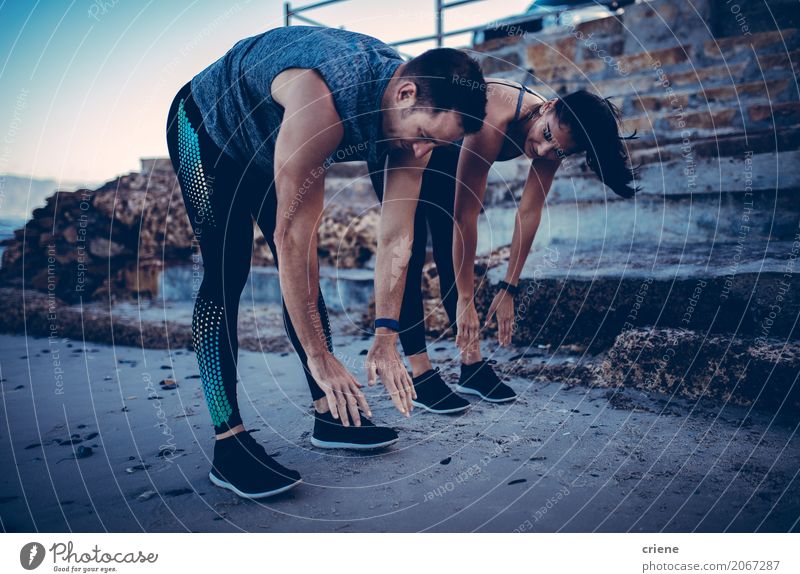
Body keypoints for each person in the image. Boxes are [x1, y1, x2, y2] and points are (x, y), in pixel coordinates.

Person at [165, 26, 487, 499]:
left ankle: (330, 415)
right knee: (226, 269)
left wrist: (385, 334)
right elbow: (293, 238)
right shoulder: (324, 101)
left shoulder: (410, 125)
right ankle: (228, 443)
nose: (422, 151)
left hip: (272, 143)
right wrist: (320, 354)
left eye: (435, 145)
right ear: (405, 93)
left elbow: (398, 238)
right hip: (207, 127)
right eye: (422, 135)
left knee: (305, 278)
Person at [368, 78, 637, 413]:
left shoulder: (557, 136)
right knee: (407, 248)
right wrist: (466, 299)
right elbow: (464, 219)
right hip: (407, 139)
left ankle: (471, 365)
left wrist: (509, 286)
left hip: (448, 151)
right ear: (549, 106)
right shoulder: (493, 119)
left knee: (448, 249)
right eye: (547, 136)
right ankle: (421, 373)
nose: (543, 151)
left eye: (558, 151)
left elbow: (529, 212)